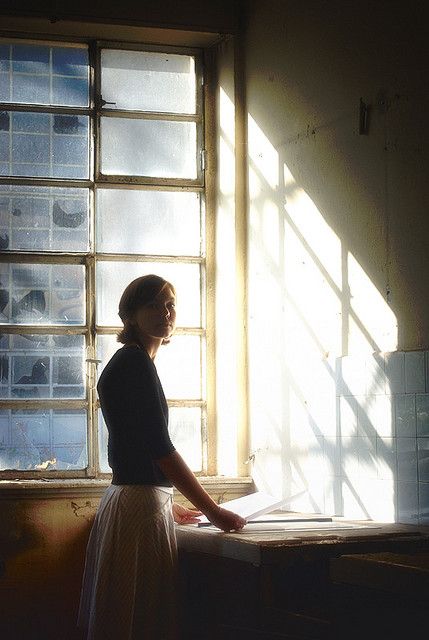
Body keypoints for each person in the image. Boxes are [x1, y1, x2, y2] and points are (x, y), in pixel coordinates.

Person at [78, 274, 246, 640]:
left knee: (129, 618)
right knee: (139, 621)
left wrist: (166, 502)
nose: (164, 312)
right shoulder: (135, 364)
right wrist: (214, 511)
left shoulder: (133, 362)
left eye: (169, 304)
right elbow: (159, 448)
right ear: (131, 315)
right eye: (153, 304)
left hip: (135, 501)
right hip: (136, 508)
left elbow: (135, 447)